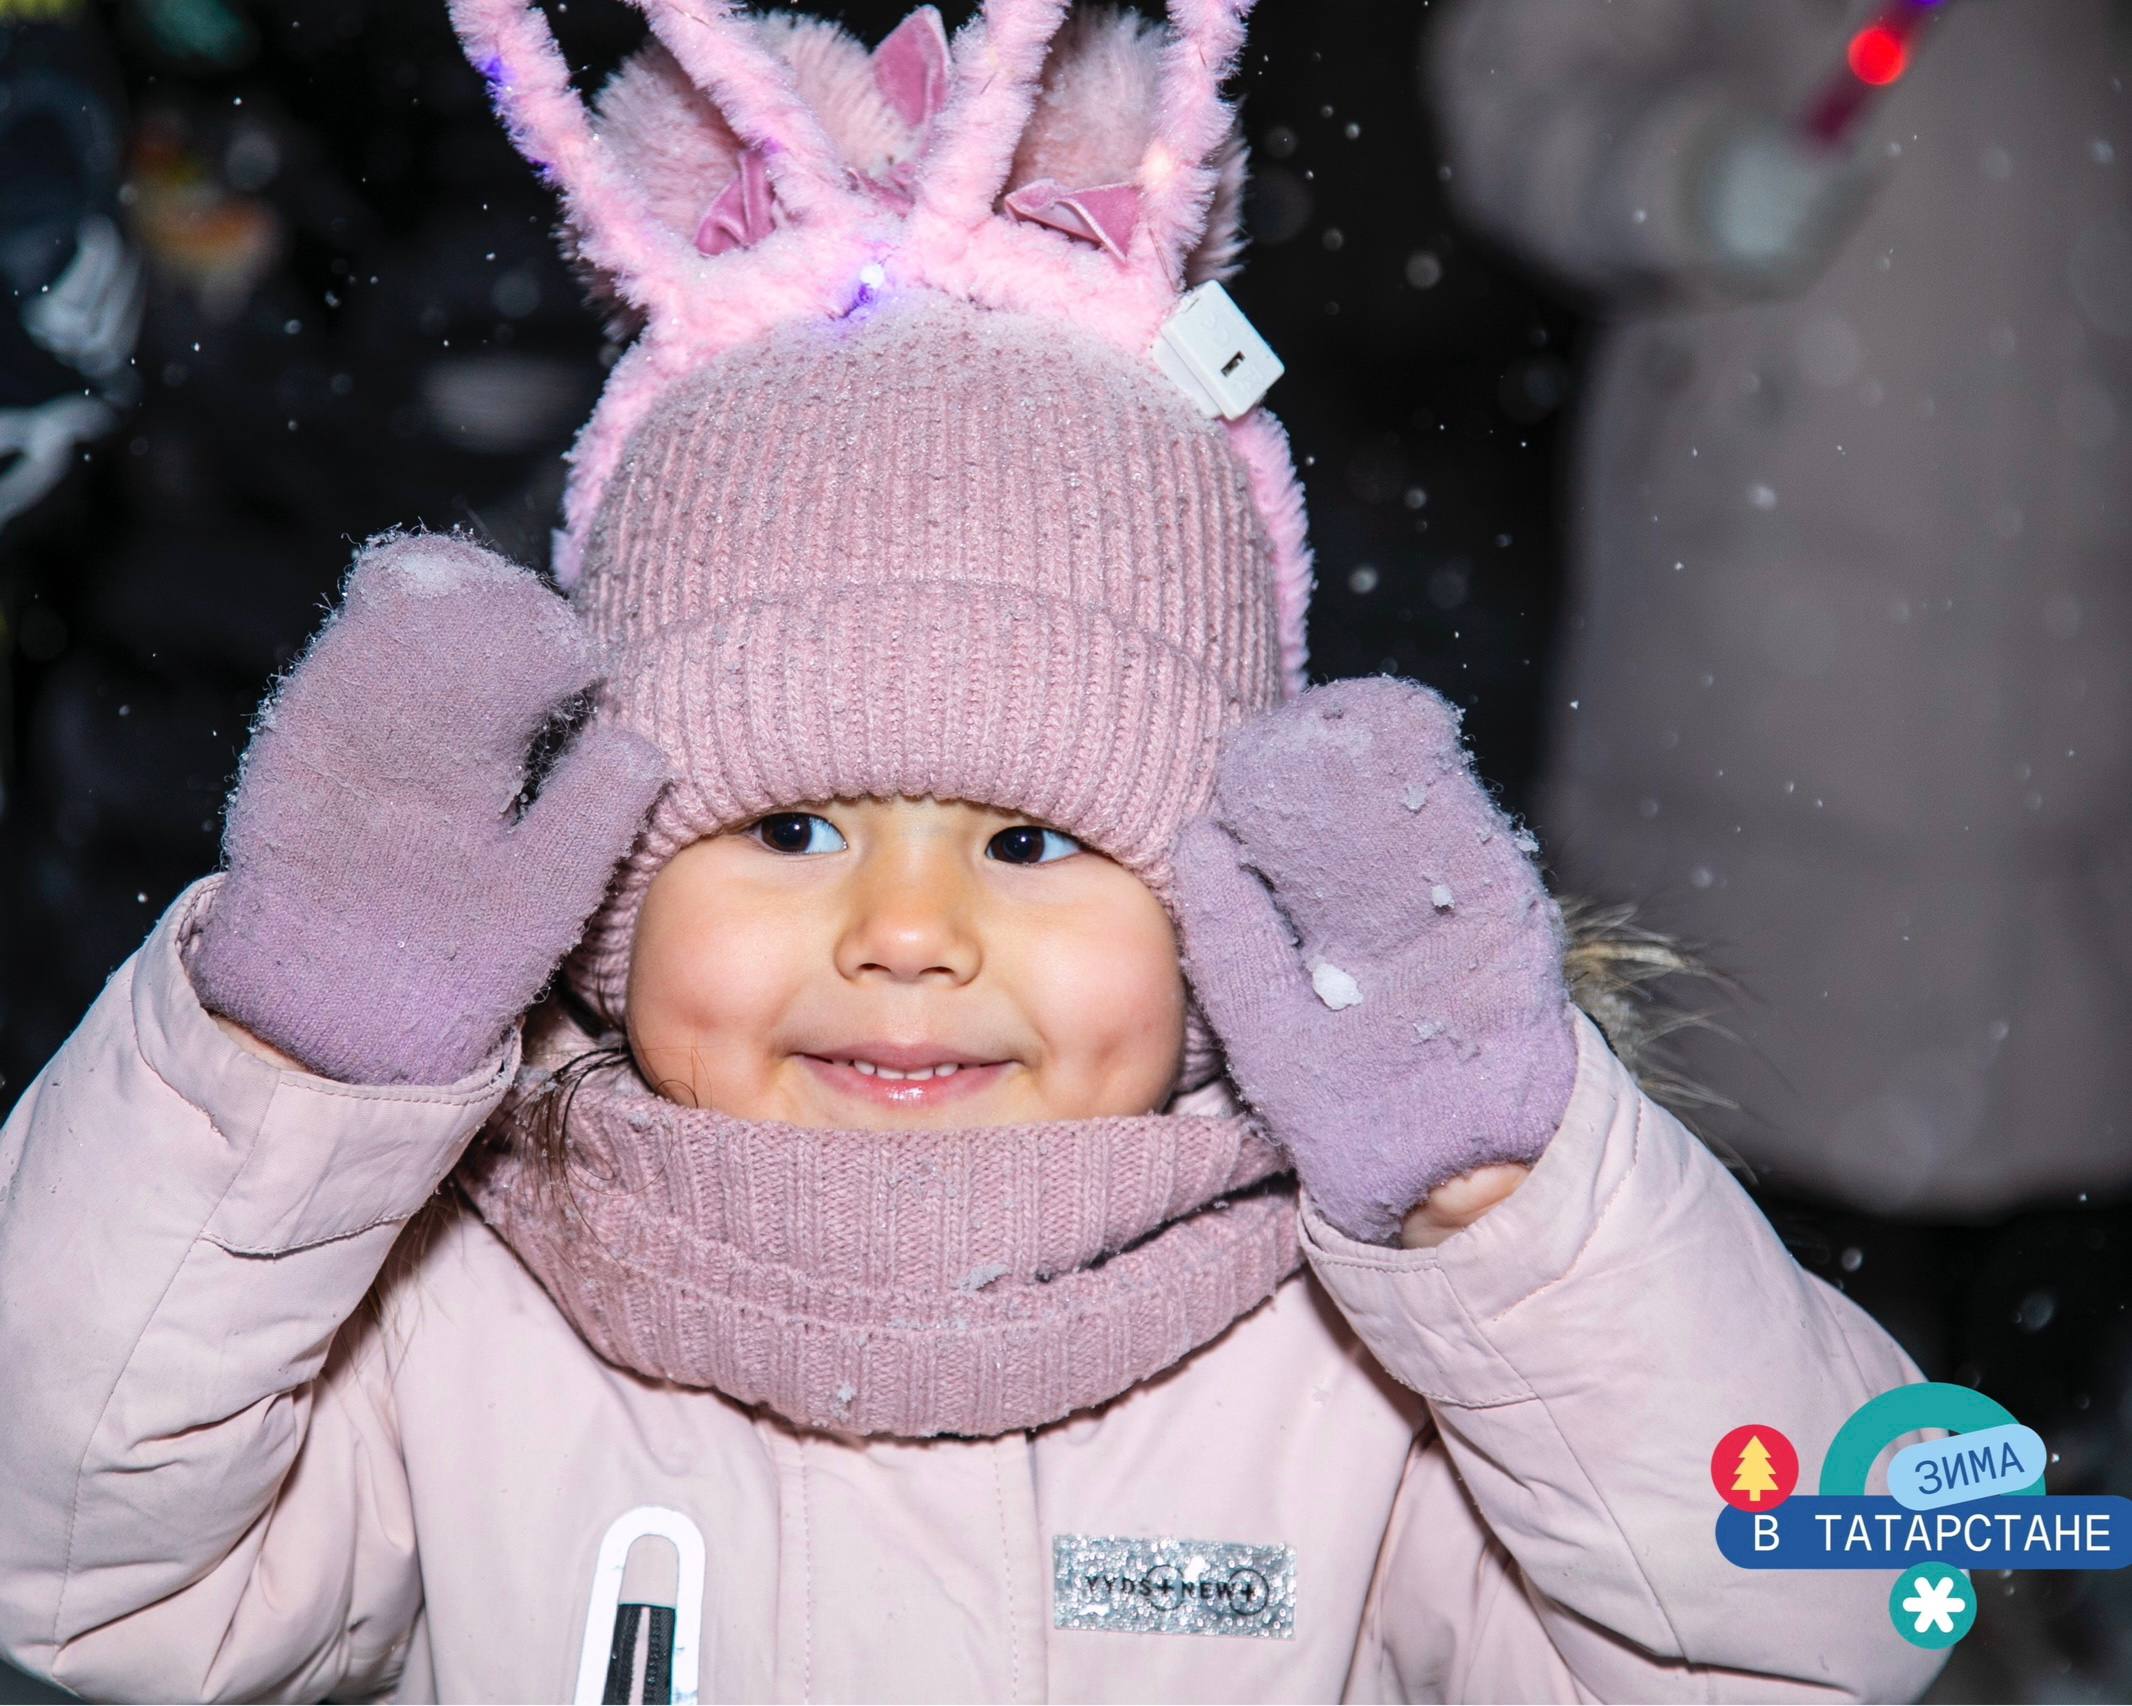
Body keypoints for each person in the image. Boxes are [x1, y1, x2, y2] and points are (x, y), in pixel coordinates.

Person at [0, 3, 1941, 1700]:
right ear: (596, 894)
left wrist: (1501, 1207)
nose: (907, 927)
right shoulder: (456, 1296)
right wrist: (286, 1074)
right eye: (788, 824)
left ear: (1222, 901)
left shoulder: (1356, 1362)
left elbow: (1839, 1615)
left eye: (1029, 834)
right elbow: (63, 1548)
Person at [1428, 0, 2132, 1217]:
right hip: (1769, 624)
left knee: (2037, 1240)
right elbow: (1512, 72)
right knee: (1735, 1228)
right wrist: (1677, 169)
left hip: (2072, 651)